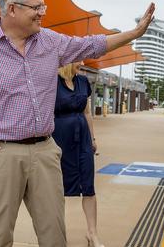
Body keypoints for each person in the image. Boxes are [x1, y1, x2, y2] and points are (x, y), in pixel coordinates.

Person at [0, 0, 154, 247]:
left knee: (54, 234)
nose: (42, 13)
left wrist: (133, 34)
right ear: (12, 9)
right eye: (36, 7)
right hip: (1, 153)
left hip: (45, 150)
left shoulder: (51, 42)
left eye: (43, 6)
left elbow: (91, 45)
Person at [53, 61, 104, 247]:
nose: (82, 63)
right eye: (79, 59)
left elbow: (87, 112)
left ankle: (92, 234)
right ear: (67, 60)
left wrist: (92, 139)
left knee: (88, 186)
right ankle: (57, 235)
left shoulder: (83, 81)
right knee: (56, 190)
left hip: (82, 140)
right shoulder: (51, 80)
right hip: (58, 140)